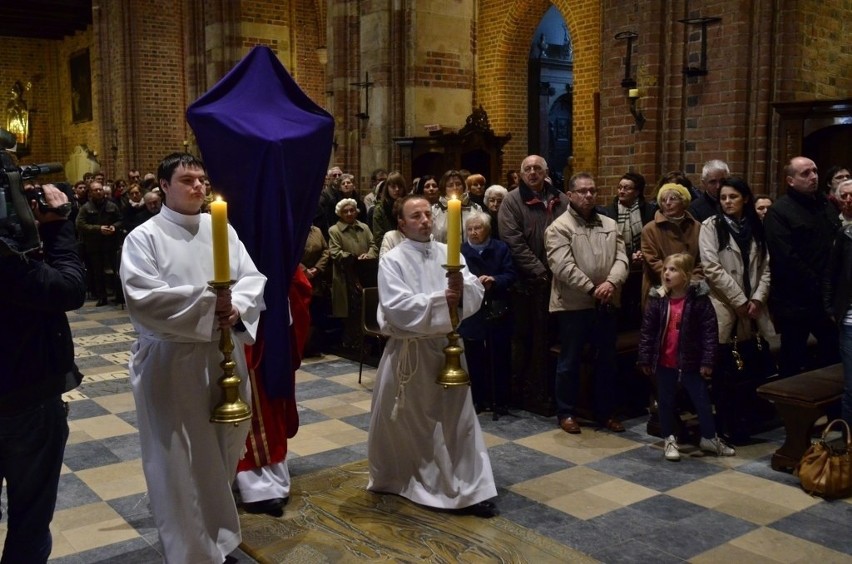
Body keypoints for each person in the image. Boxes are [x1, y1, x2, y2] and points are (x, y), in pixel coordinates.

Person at [120, 153, 267, 563]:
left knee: (221, 447)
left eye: (202, 180)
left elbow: (252, 278)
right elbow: (143, 300)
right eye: (187, 180)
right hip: (173, 362)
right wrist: (209, 306)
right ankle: (189, 551)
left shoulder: (220, 229)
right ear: (163, 187)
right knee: (179, 458)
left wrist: (235, 307)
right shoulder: (143, 238)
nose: (198, 187)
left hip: (224, 354)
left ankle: (219, 539)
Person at [367, 195, 497, 517]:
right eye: (416, 216)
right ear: (401, 223)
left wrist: (462, 292)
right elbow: (396, 308)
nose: (425, 220)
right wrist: (444, 300)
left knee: (459, 420)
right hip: (410, 356)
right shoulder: (392, 259)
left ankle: (470, 488)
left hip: (448, 349)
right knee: (417, 425)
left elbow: (474, 290)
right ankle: (414, 479)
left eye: (428, 214)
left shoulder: (447, 253)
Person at [0, 184, 86, 563]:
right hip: (23, 398)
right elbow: (67, 289)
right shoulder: (7, 259)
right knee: (31, 516)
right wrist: (57, 227)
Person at [545, 173, 629, 434]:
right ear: (570, 195)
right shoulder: (559, 227)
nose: (589, 195)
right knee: (569, 361)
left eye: (592, 190)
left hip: (605, 302)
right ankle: (566, 412)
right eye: (582, 191)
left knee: (607, 360)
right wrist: (593, 288)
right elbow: (563, 266)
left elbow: (622, 259)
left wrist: (611, 283)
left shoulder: (610, 224)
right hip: (573, 304)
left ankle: (605, 412)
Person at [637, 253, 735, 461]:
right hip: (664, 361)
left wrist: (708, 361)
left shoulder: (699, 300)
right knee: (665, 401)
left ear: (687, 275)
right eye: (665, 269)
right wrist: (645, 358)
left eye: (673, 270)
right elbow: (648, 332)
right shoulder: (658, 299)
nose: (666, 273)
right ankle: (669, 438)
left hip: (690, 361)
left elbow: (709, 333)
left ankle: (708, 437)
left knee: (701, 400)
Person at [497, 155, 569, 412]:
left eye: (537, 168)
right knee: (525, 338)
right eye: (527, 168)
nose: (532, 172)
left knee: (550, 339)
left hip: (559, 280)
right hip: (526, 283)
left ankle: (546, 390)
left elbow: (569, 232)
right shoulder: (512, 201)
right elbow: (513, 241)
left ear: (546, 172)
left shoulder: (560, 199)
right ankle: (522, 392)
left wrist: (561, 269)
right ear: (520, 174)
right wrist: (539, 270)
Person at [764, 156, 840, 376]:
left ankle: (831, 407)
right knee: (793, 358)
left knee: (832, 353)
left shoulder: (826, 205)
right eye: (805, 173)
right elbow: (786, 257)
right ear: (790, 180)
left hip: (825, 300)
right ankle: (790, 409)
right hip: (794, 300)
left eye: (815, 171)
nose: (813, 177)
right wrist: (820, 283)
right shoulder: (779, 211)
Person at [458, 211, 516, 415]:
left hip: (496, 307)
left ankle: (499, 399)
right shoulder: (460, 251)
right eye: (470, 229)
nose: (473, 232)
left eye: (478, 228)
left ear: (487, 229)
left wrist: (494, 280)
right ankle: (477, 398)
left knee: (498, 354)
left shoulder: (499, 248)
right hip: (472, 310)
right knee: (474, 355)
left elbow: (510, 274)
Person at [640, 183, 703, 308]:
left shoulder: (697, 227)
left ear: (683, 201)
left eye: (673, 199)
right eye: (663, 200)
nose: (667, 203)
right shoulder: (650, 229)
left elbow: (702, 259)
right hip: (660, 288)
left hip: (692, 288)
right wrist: (674, 279)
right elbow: (653, 261)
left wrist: (692, 280)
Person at [329, 197, 377, 350]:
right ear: (340, 214)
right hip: (345, 275)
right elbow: (335, 252)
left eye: (352, 210)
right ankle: (350, 341)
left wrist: (369, 254)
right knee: (349, 310)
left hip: (365, 273)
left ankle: (364, 340)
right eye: (345, 211)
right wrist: (353, 257)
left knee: (364, 307)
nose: (349, 213)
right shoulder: (334, 230)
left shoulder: (364, 227)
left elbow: (373, 245)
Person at [75, 180, 122, 305]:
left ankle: (119, 295)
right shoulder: (86, 208)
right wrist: (98, 229)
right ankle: (102, 296)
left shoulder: (112, 206)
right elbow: (80, 224)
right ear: (90, 192)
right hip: (94, 244)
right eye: (95, 190)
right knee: (98, 272)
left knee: (116, 269)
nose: (99, 192)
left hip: (111, 243)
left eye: (100, 189)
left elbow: (120, 220)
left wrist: (114, 227)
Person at [825, 221, 852, 427]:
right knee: (851, 387)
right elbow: (832, 273)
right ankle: (848, 446)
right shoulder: (847, 235)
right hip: (850, 321)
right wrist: (830, 307)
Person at [432, 169, 483, 244]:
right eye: (450, 185)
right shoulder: (434, 210)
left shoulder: (476, 208)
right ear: (444, 188)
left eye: (458, 184)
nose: (455, 188)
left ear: (463, 186)